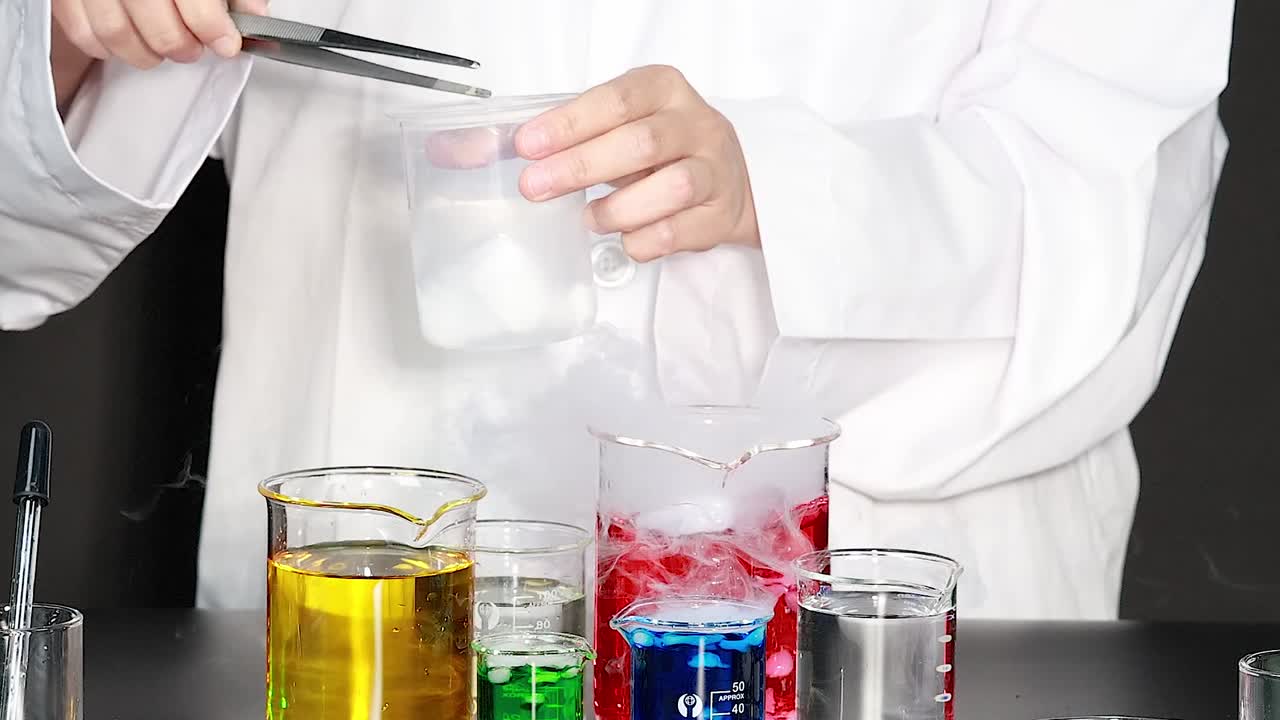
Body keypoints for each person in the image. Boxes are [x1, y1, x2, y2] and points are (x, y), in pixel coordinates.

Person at [0, 0, 1233, 618]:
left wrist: (782, 196)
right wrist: (64, 37)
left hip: (868, 604)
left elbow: (1118, 190)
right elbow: (24, 214)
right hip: (375, 585)